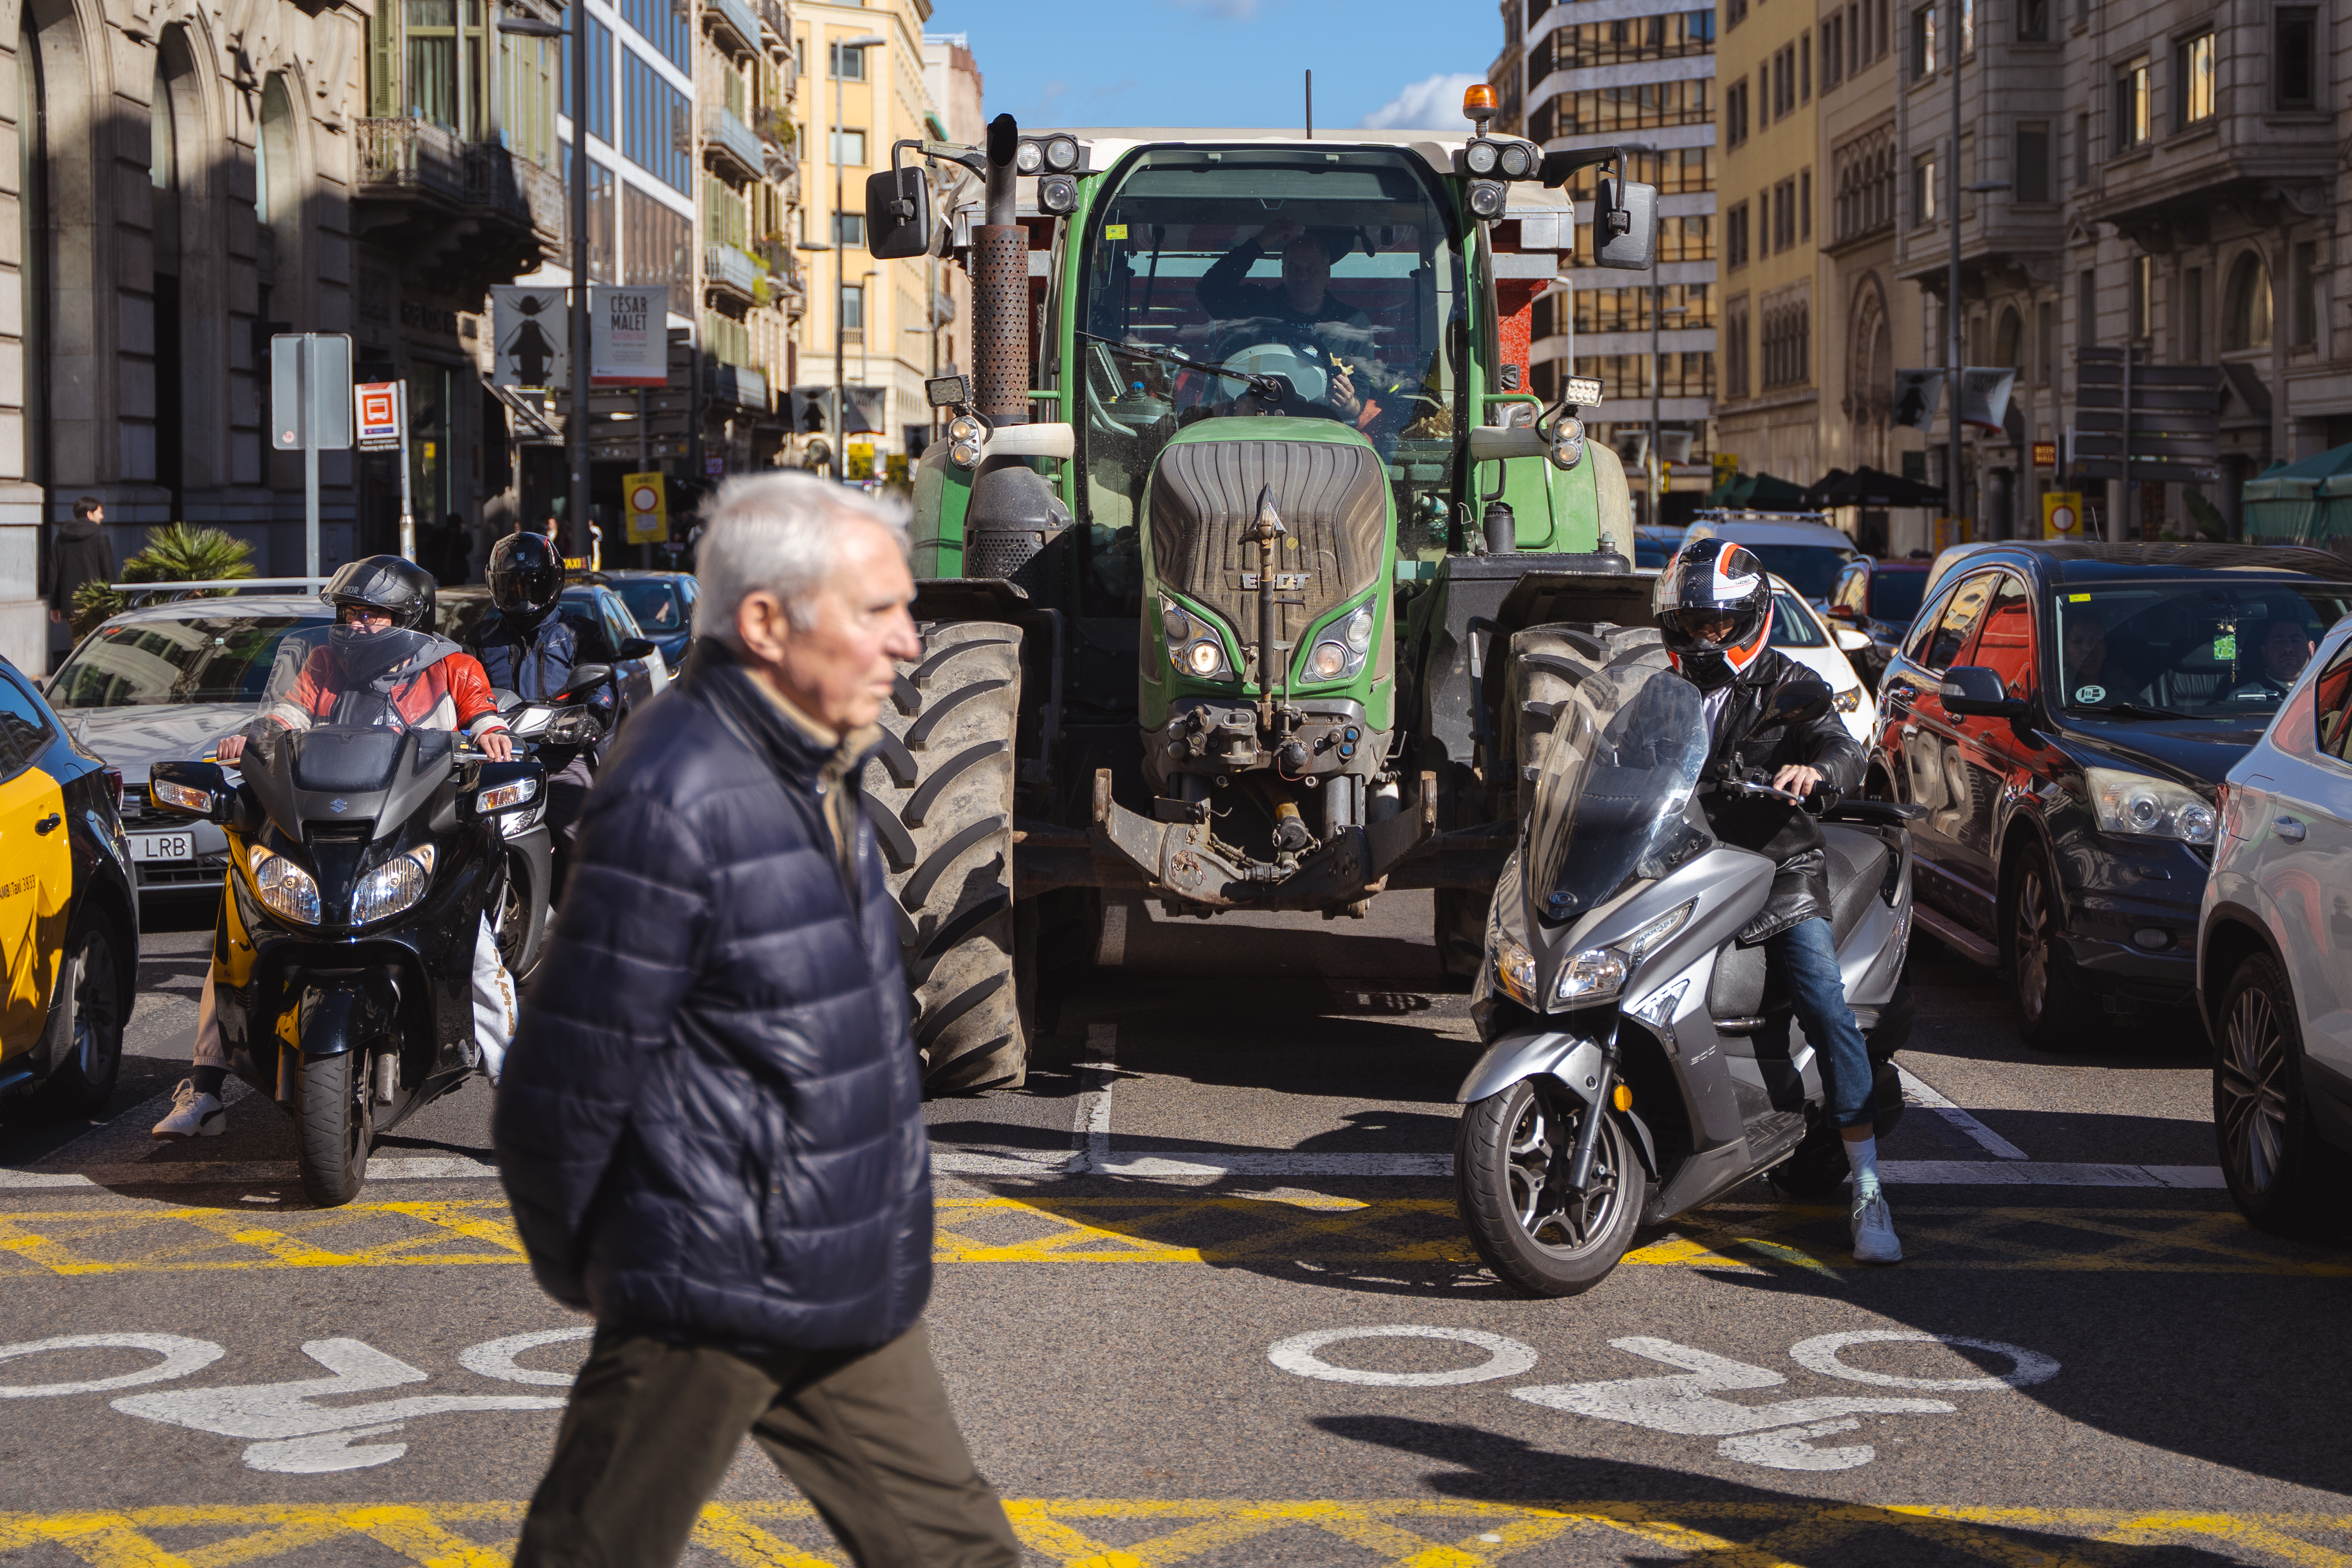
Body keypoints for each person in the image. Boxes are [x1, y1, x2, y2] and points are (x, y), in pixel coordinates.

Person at [496, 473, 1019, 1568]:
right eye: (874, 613)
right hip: (709, 1282)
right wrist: (617, 1270)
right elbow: (560, 1080)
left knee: (961, 1552)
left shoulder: (816, 764)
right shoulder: (679, 790)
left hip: (837, 1267)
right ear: (766, 623)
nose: (907, 644)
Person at [151, 557, 521, 1140]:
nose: (358, 625)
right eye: (350, 614)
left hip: (423, 836)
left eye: (373, 615)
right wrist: (253, 736)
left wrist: (493, 735)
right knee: (237, 939)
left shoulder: (453, 665)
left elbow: (482, 716)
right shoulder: (323, 664)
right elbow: (284, 716)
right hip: (329, 833)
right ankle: (204, 1089)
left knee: (473, 954)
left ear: (410, 617)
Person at [1654, 540, 1899, 1265]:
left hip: (1776, 876)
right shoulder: (1660, 691)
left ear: (1751, 621)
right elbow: (1619, 749)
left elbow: (1839, 745)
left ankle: (1870, 1188)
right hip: (1685, 869)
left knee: (1826, 1007)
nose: (1705, 639)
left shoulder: (1792, 683)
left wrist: (1817, 770)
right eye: (1693, 624)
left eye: (1719, 625)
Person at [471, 531, 599, 896]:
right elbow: (459, 692)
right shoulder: (479, 638)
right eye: (513, 587)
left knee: (584, 840)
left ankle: (586, 924)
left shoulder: (579, 633)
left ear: (554, 582)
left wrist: (591, 718)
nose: (524, 596)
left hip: (559, 759)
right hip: (497, 762)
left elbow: (604, 686)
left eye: (534, 584)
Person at [1197, 220, 1373, 422]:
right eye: (1295, 269)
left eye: (1312, 269)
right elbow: (1209, 290)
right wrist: (1261, 242)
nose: (1303, 277)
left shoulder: (1353, 323)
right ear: (1283, 272)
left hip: (1320, 432)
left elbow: (1358, 396)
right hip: (1252, 424)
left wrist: (1349, 403)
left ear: (1327, 274)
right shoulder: (1256, 308)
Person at [42, 497, 112, 661]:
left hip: (71, 602)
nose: (102, 517)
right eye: (100, 513)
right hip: (95, 602)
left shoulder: (61, 538)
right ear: (90, 514)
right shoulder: (100, 538)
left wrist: (55, 605)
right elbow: (108, 574)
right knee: (99, 643)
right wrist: (111, 603)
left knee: (78, 644)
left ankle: (78, 678)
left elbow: (54, 572)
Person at [2226, 614, 2316, 701]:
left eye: (2296, 641)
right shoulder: (2243, 697)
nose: (2288, 648)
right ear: (2264, 651)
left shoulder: (2324, 691)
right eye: (2279, 642)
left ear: (2311, 649)